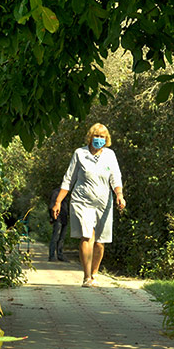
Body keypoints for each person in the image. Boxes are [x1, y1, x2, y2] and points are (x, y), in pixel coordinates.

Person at [52, 123, 125, 287]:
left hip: (104, 202)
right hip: (82, 201)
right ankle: (86, 277)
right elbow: (68, 179)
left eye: (102, 137)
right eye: (96, 136)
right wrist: (58, 202)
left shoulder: (110, 155)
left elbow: (116, 177)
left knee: (100, 242)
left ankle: (94, 272)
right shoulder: (80, 153)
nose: (98, 140)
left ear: (106, 139)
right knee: (87, 236)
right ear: (90, 137)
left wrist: (119, 195)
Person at [49, 186, 69, 261]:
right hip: (57, 218)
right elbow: (51, 206)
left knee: (62, 238)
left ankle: (60, 255)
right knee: (55, 237)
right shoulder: (56, 192)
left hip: (64, 218)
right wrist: (51, 217)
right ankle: (51, 256)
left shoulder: (66, 193)